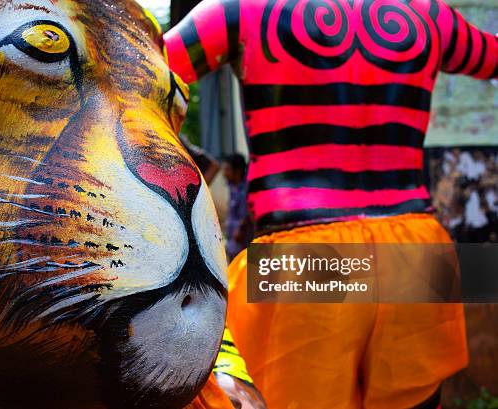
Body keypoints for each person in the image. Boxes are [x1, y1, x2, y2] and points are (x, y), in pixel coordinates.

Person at [164, 0, 497, 408]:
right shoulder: (431, 14)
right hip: (415, 247)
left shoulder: (239, 11)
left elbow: (132, 69)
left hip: (306, 256)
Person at [222, 154, 254, 260]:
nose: (224, 173)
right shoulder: (232, 187)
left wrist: (240, 229)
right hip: (233, 240)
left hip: (242, 241)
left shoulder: (246, 190)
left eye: (227, 170)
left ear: (238, 171)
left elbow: (247, 215)